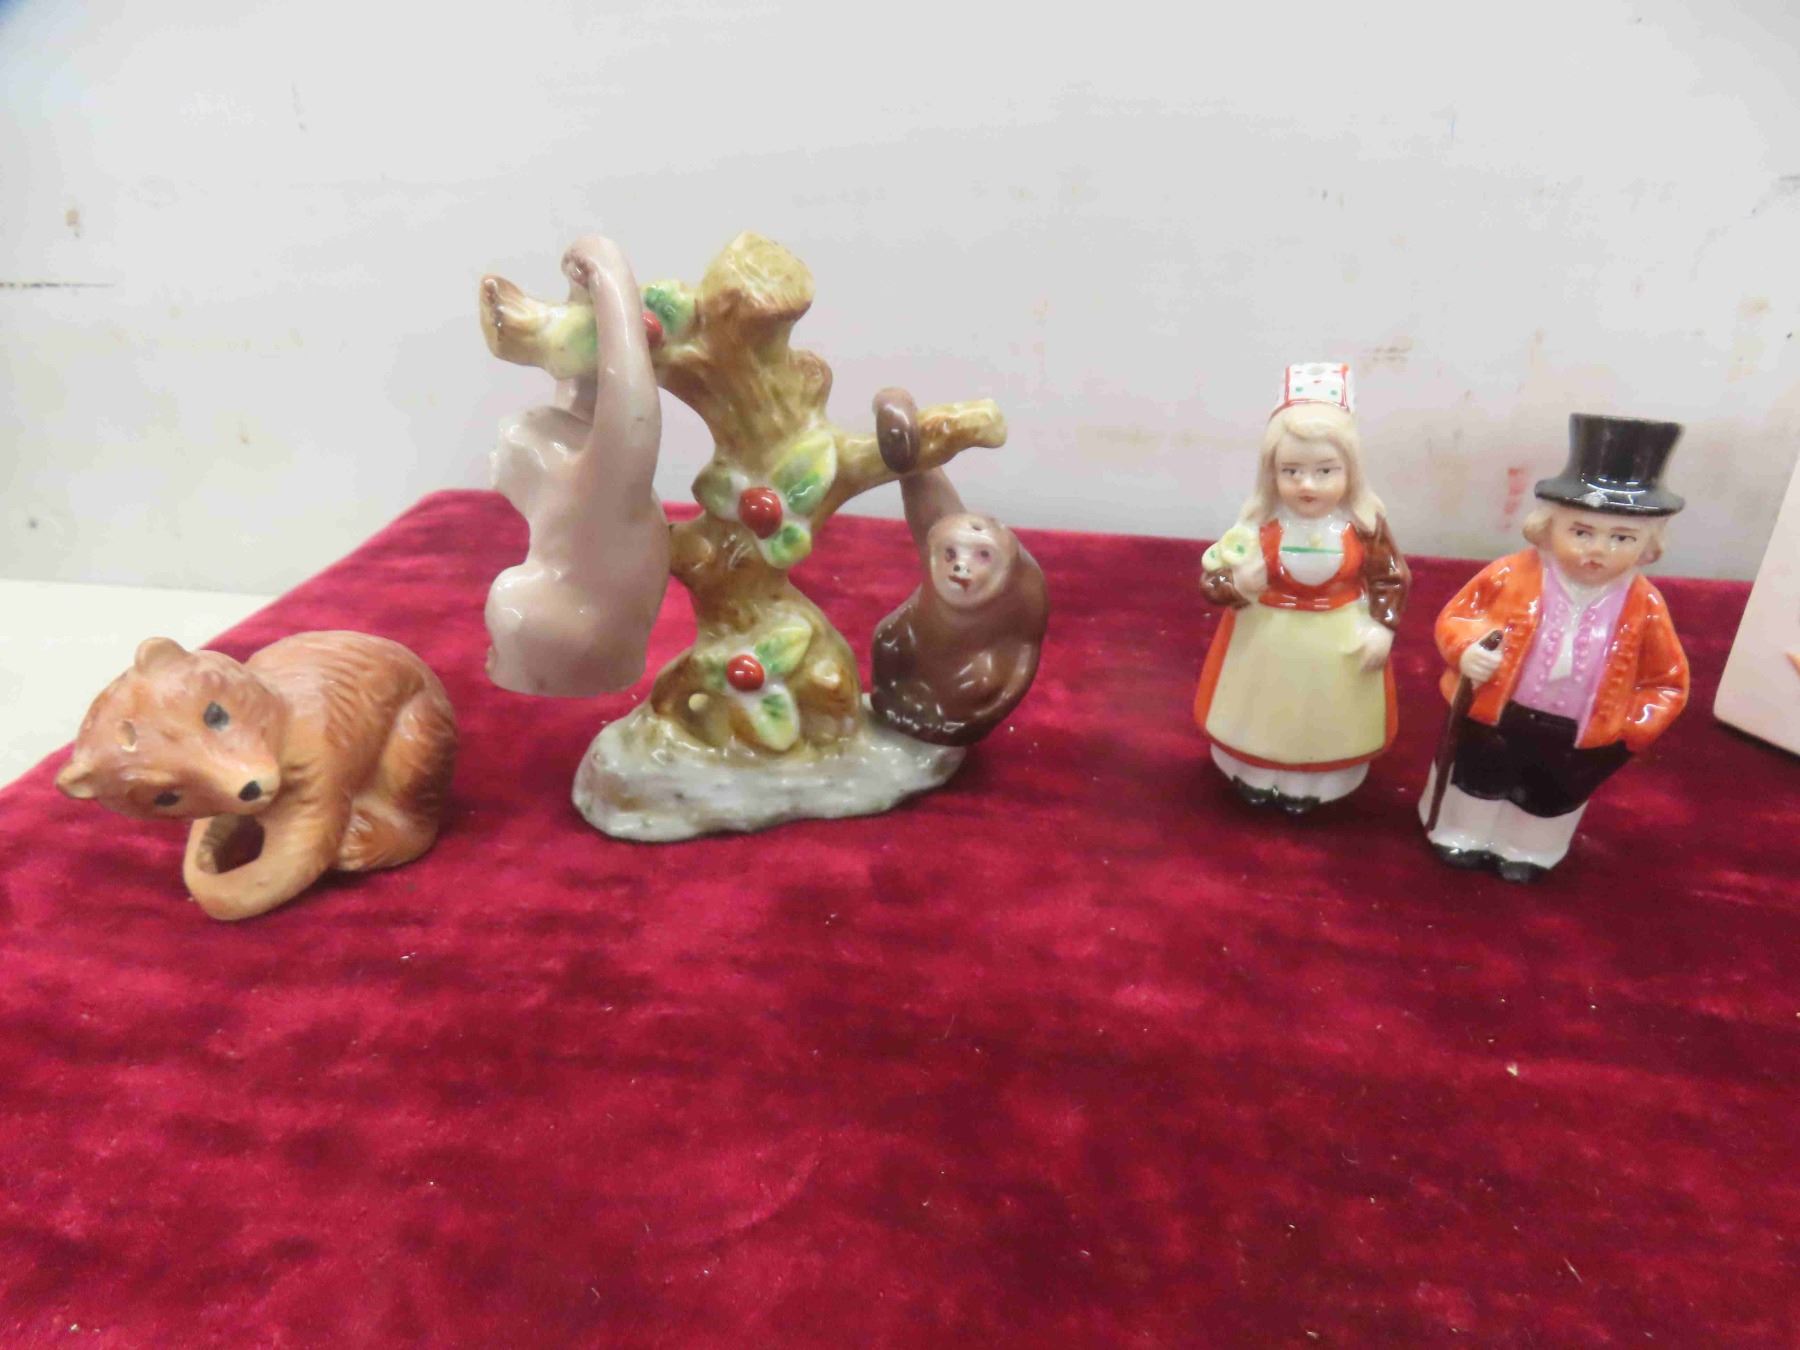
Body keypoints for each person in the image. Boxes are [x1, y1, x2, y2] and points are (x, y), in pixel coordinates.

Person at [1421, 413, 1690, 881]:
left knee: (1548, 796)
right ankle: (1460, 833)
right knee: (1475, 777)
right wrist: (1467, 649)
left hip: (1578, 732)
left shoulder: (1645, 606)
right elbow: (1458, 616)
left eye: (1621, 538)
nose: (1598, 550)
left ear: (1648, 545)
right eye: (1582, 532)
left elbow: (1667, 681)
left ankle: (1525, 850)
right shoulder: (1510, 574)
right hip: (1496, 711)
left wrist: (1632, 727)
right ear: (1548, 526)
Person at [1194, 363, 1410, 813]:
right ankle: (1254, 773)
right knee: (1261, 714)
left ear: (1351, 471)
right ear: (1271, 472)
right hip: (1265, 641)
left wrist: (1382, 626)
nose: (1307, 485)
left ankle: (1316, 783)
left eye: (1325, 471)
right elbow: (1211, 580)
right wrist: (1238, 583)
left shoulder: (1363, 525)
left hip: (1338, 641)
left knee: (1325, 718)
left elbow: (1389, 576)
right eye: (1291, 471)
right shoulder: (1257, 525)